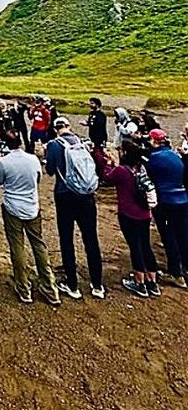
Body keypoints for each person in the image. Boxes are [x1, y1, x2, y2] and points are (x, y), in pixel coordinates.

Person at [0, 130, 61, 305]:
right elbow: (38, 179)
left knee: (17, 247)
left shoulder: (4, 161)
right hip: (31, 206)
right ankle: (49, 286)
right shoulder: (33, 159)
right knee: (38, 244)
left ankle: (24, 287)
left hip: (12, 206)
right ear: (20, 142)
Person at [45, 117, 105, 299]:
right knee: (91, 238)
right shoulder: (81, 142)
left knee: (66, 238)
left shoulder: (54, 145)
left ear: (55, 129)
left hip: (65, 194)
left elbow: (50, 170)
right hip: (86, 195)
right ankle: (97, 284)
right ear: (69, 127)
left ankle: (72, 284)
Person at [104, 138, 161, 297]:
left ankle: (139, 282)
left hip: (128, 214)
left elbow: (107, 177)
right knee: (145, 246)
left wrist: (109, 163)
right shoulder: (141, 168)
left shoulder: (122, 171)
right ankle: (152, 282)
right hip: (144, 214)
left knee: (135, 247)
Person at [148, 128, 188, 289]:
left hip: (165, 202)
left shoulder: (154, 158)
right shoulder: (175, 155)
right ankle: (185, 267)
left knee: (168, 236)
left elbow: (149, 178)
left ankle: (175, 273)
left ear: (154, 141)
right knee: (182, 235)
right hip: (182, 199)